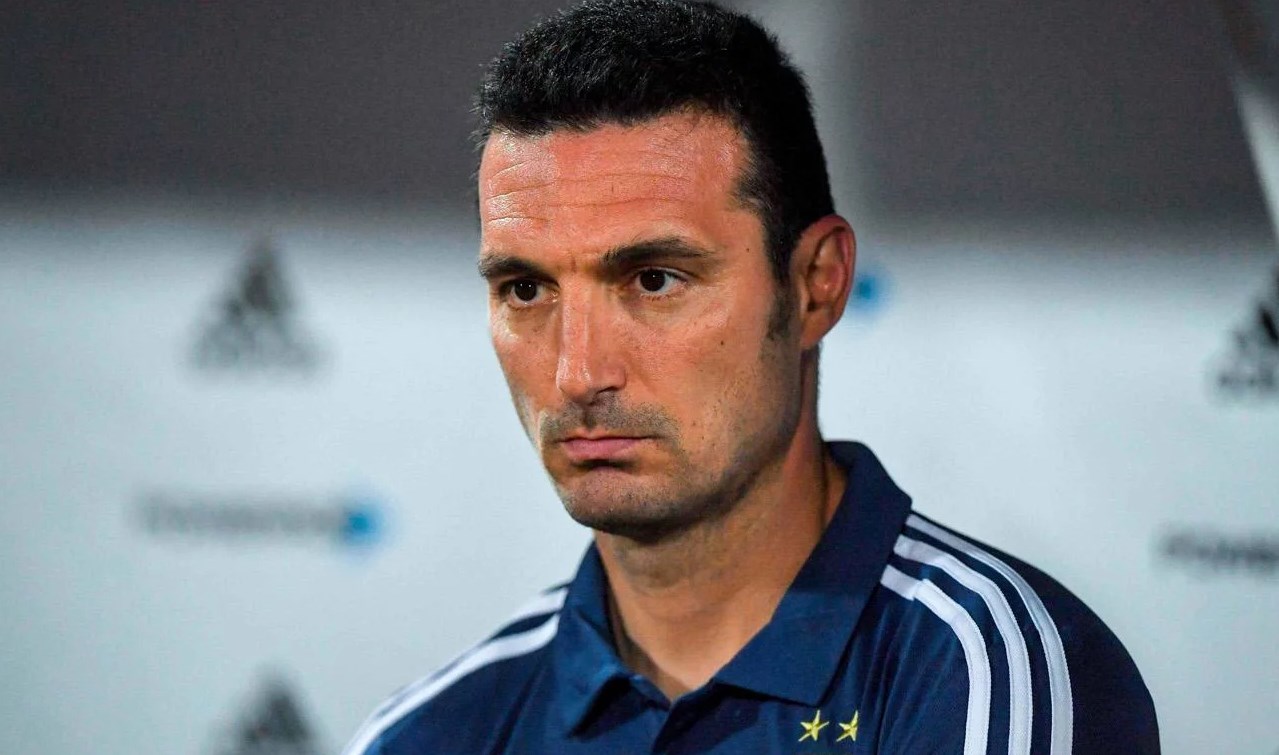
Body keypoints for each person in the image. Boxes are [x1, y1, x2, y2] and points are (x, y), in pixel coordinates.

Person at [343, 1, 1160, 752]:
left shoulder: (983, 671)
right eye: (525, 289)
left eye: (654, 279)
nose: (578, 372)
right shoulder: (425, 735)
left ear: (815, 284)